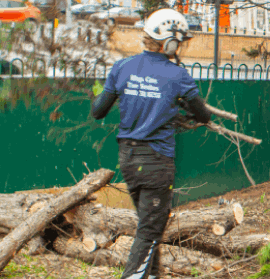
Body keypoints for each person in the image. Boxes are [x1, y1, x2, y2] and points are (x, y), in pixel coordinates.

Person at [88, 8, 211, 279]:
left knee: (150, 227)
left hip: (129, 159)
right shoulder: (178, 76)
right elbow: (203, 115)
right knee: (149, 232)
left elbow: (98, 110)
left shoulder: (122, 67)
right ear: (170, 41)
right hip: (156, 162)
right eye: (179, 41)